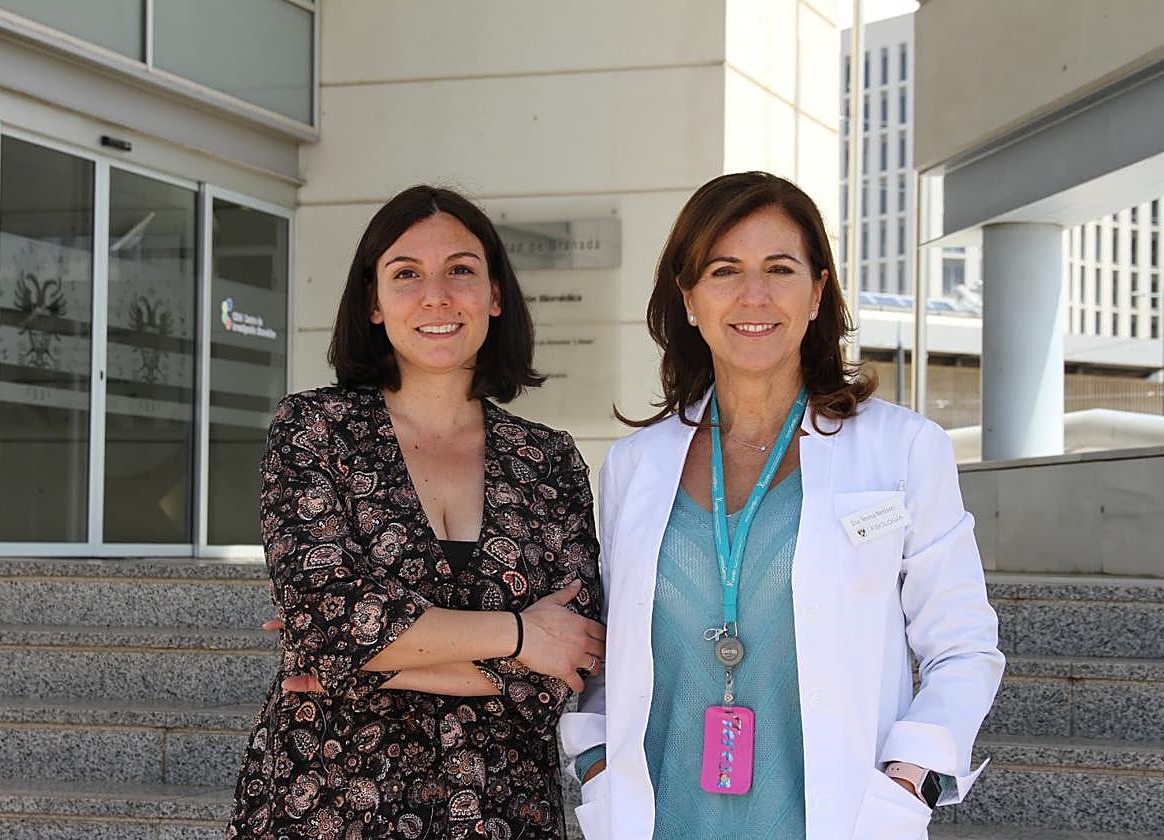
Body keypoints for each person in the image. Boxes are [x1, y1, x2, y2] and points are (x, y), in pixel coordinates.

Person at [560, 172, 1004, 840]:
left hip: (835, 819)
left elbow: (964, 645)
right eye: (724, 271)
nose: (754, 296)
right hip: (661, 817)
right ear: (688, 297)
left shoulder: (903, 448)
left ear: (818, 291)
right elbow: (606, 646)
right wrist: (595, 760)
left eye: (780, 268)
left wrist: (910, 779)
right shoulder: (635, 464)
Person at [226, 185, 605, 840]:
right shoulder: (315, 429)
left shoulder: (547, 459)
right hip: (331, 805)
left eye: (460, 269)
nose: (436, 296)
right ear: (373, 301)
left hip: (501, 810)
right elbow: (327, 616)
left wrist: (360, 659)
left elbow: (570, 655)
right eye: (406, 274)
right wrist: (520, 636)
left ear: (494, 295)